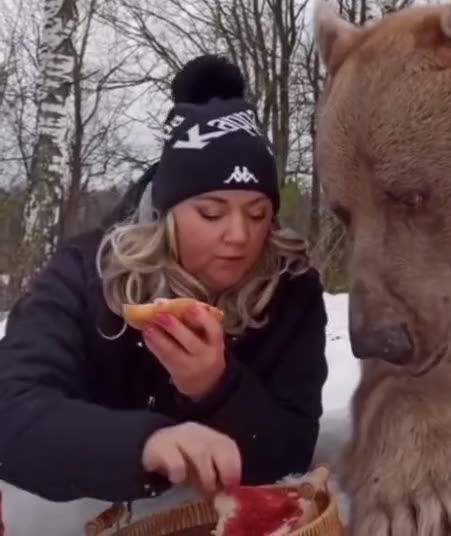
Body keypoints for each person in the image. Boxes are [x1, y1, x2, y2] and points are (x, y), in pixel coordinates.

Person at [0, 56, 328, 505]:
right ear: (166, 212)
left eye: (257, 214)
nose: (239, 236)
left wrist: (217, 386)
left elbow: (289, 450)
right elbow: (11, 409)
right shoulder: (85, 272)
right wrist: (144, 446)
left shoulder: (292, 291)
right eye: (211, 213)